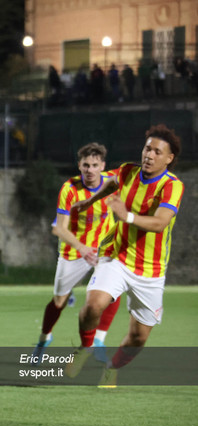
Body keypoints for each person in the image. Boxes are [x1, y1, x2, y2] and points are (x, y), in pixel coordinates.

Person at [66, 125, 184, 387]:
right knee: (93, 305)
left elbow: (160, 223)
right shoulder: (129, 171)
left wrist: (126, 216)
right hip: (115, 255)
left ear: (169, 158)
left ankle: (112, 367)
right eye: (147, 148)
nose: (149, 155)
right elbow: (112, 182)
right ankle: (85, 348)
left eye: (157, 152)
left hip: (150, 270)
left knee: (139, 337)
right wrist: (89, 201)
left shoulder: (172, 186)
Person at [31, 143, 121, 362]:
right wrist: (81, 248)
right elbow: (58, 228)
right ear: (79, 166)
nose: (90, 170)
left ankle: (98, 340)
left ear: (103, 166)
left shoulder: (113, 181)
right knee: (59, 301)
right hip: (74, 251)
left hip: (104, 248)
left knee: (114, 291)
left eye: (94, 165)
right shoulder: (70, 188)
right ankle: (44, 337)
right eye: (85, 165)